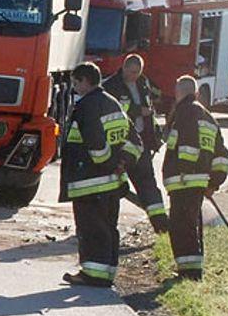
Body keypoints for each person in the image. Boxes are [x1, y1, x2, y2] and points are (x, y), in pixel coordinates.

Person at [59, 62, 130, 288]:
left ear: (85, 81)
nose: (75, 88)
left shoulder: (87, 106)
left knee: (91, 228)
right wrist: (119, 164)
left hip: (91, 180)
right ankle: (107, 271)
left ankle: (92, 274)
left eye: (75, 83)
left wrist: (106, 163)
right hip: (110, 182)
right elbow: (128, 138)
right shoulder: (112, 103)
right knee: (108, 226)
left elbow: (96, 143)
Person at [162, 75, 228, 280]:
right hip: (199, 182)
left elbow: (187, 143)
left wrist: (184, 169)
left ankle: (189, 273)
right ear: (197, 93)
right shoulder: (208, 117)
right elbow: (222, 155)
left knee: (181, 227)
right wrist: (214, 182)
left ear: (177, 92)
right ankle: (192, 271)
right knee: (192, 226)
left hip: (184, 180)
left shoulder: (185, 112)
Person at [103, 54, 169, 233]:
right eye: (132, 72)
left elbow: (151, 109)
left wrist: (155, 137)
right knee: (113, 187)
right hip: (120, 146)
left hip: (142, 145)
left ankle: (161, 225)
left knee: (148, 184)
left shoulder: (143, 83)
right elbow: (111, 112)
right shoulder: (110, 86)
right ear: (124, 68)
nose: (135, 76)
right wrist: (138, 110)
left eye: (138, 73)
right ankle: (107, 227)